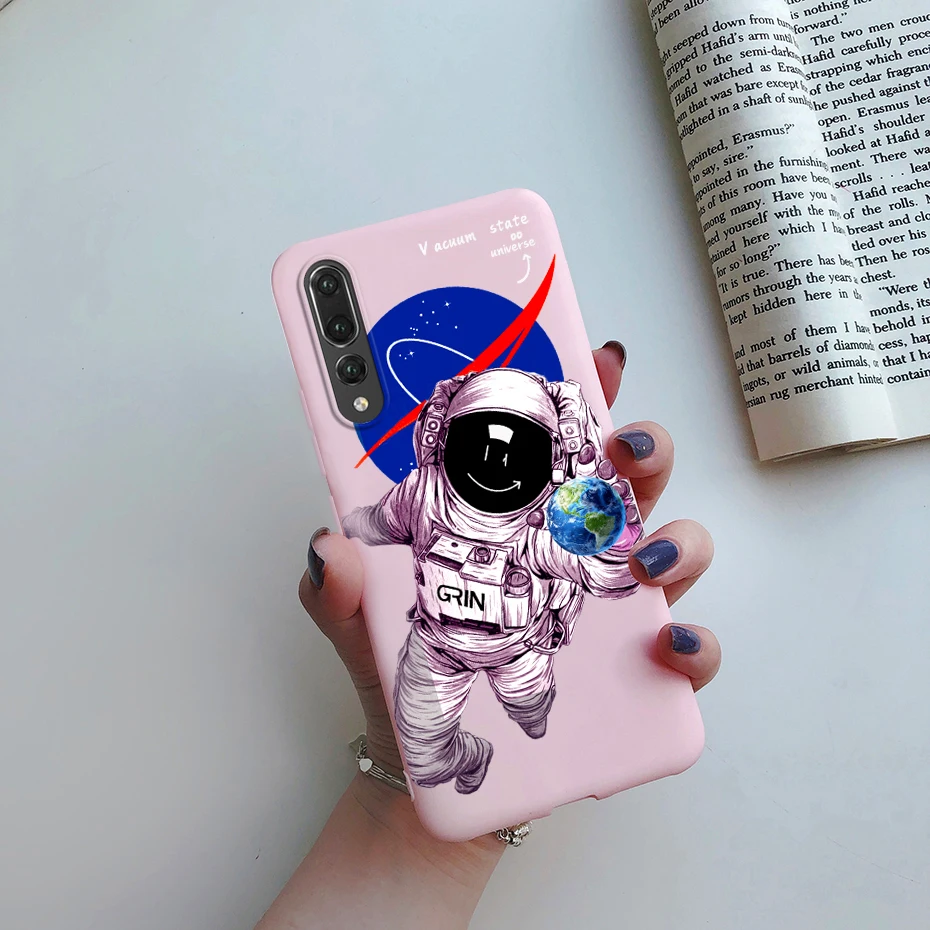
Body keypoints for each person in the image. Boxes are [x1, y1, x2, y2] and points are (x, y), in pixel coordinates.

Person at [255, 341, 721, 930]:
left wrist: (604, 513)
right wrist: (348, 532)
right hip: (436, 648)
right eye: (481, 437)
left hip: (518, 649)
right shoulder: (422, 495)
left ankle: (532, 730)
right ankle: (468, 753)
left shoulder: (548, 523)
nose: (498, 455)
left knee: (535, 715)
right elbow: (375, 522)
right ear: (442, 439)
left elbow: (610, 572)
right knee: (424, 747)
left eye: (518, 444)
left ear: (550, 459)